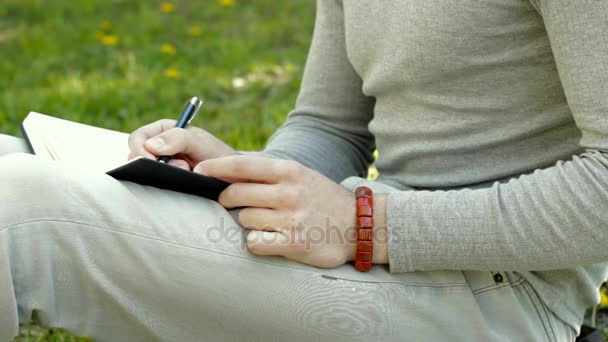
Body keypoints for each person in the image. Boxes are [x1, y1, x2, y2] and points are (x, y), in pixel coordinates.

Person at [1, 0, 607, 340]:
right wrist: (241, 173)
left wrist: (365, 223)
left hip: (500, 294)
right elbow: (330, 124)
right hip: (365, 239)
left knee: (20, 210)